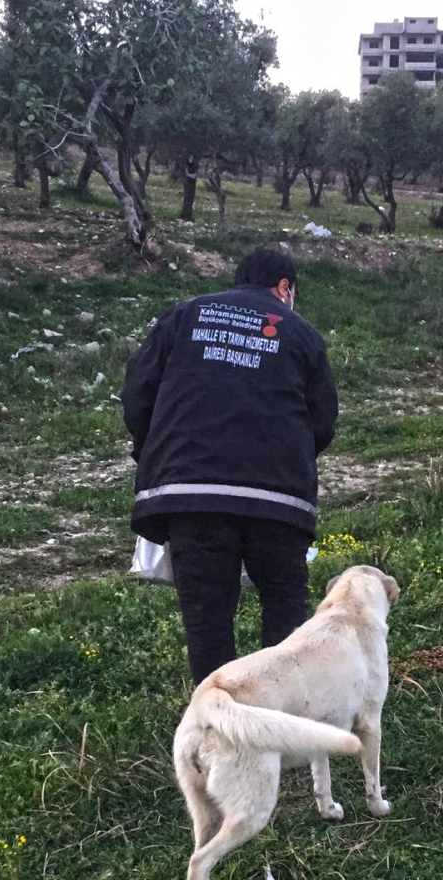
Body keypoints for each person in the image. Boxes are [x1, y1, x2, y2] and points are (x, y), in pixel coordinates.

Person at [123, 247, 338, 684]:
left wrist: (156, 455)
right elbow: (323, 421)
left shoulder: (184, 316)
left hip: (191, 497)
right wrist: (287, 460)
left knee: (208, 619)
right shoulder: (301, 333)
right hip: (278, 500)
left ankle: (218, 716)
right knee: (284, 612)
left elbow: (137, 395)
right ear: (285, 288)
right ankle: (284, 714)